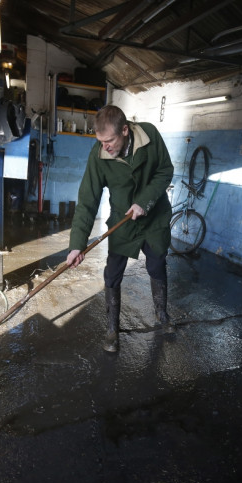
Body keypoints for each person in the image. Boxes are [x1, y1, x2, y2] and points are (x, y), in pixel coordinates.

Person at [66, 105, 175, 352]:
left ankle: (162, 314)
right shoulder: (99, 156)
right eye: (100, 141)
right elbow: (87, 201)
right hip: (121, 221)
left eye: (109, 140)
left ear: (125, 130)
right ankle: (112, 329)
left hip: (154, 217)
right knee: (113, 272)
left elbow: (165, 171)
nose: (105, 147)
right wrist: (76, 245)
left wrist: (145, 201)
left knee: (157, 264)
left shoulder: (150, 136)